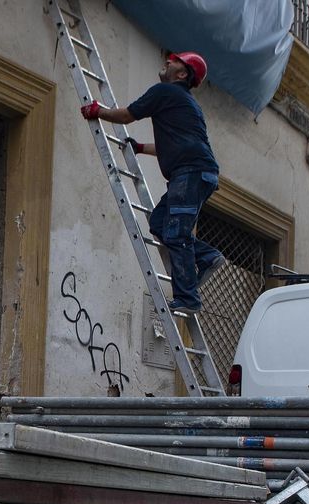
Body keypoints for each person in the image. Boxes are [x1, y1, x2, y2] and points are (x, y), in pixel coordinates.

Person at [81, 51, 224, 311]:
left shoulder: (165, 92)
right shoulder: (186, 103)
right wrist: (139, 148)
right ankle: (206, 256)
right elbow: (172, 145)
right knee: (159, 223)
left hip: (189, 173)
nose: (167, 61)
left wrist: (98, 111)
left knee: (177, 233)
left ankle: (188, 299)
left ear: (181, 74)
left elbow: (126, 116)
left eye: (174, 61)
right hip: (197, 173)